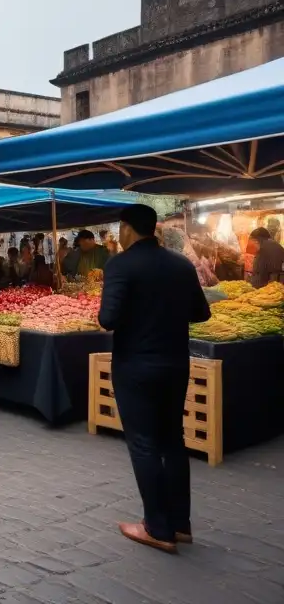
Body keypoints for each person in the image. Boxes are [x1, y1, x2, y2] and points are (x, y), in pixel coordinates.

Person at [99, 204, 211, 554]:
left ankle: (156, 527)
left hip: (136, 366)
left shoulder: (120, 264)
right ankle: (180, 525)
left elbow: (108, 318)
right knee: (173, 441)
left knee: (144, 444)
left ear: (128, 228)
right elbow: (201, 312)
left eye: (120, 227)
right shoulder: (180, 264)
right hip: (176, 363)